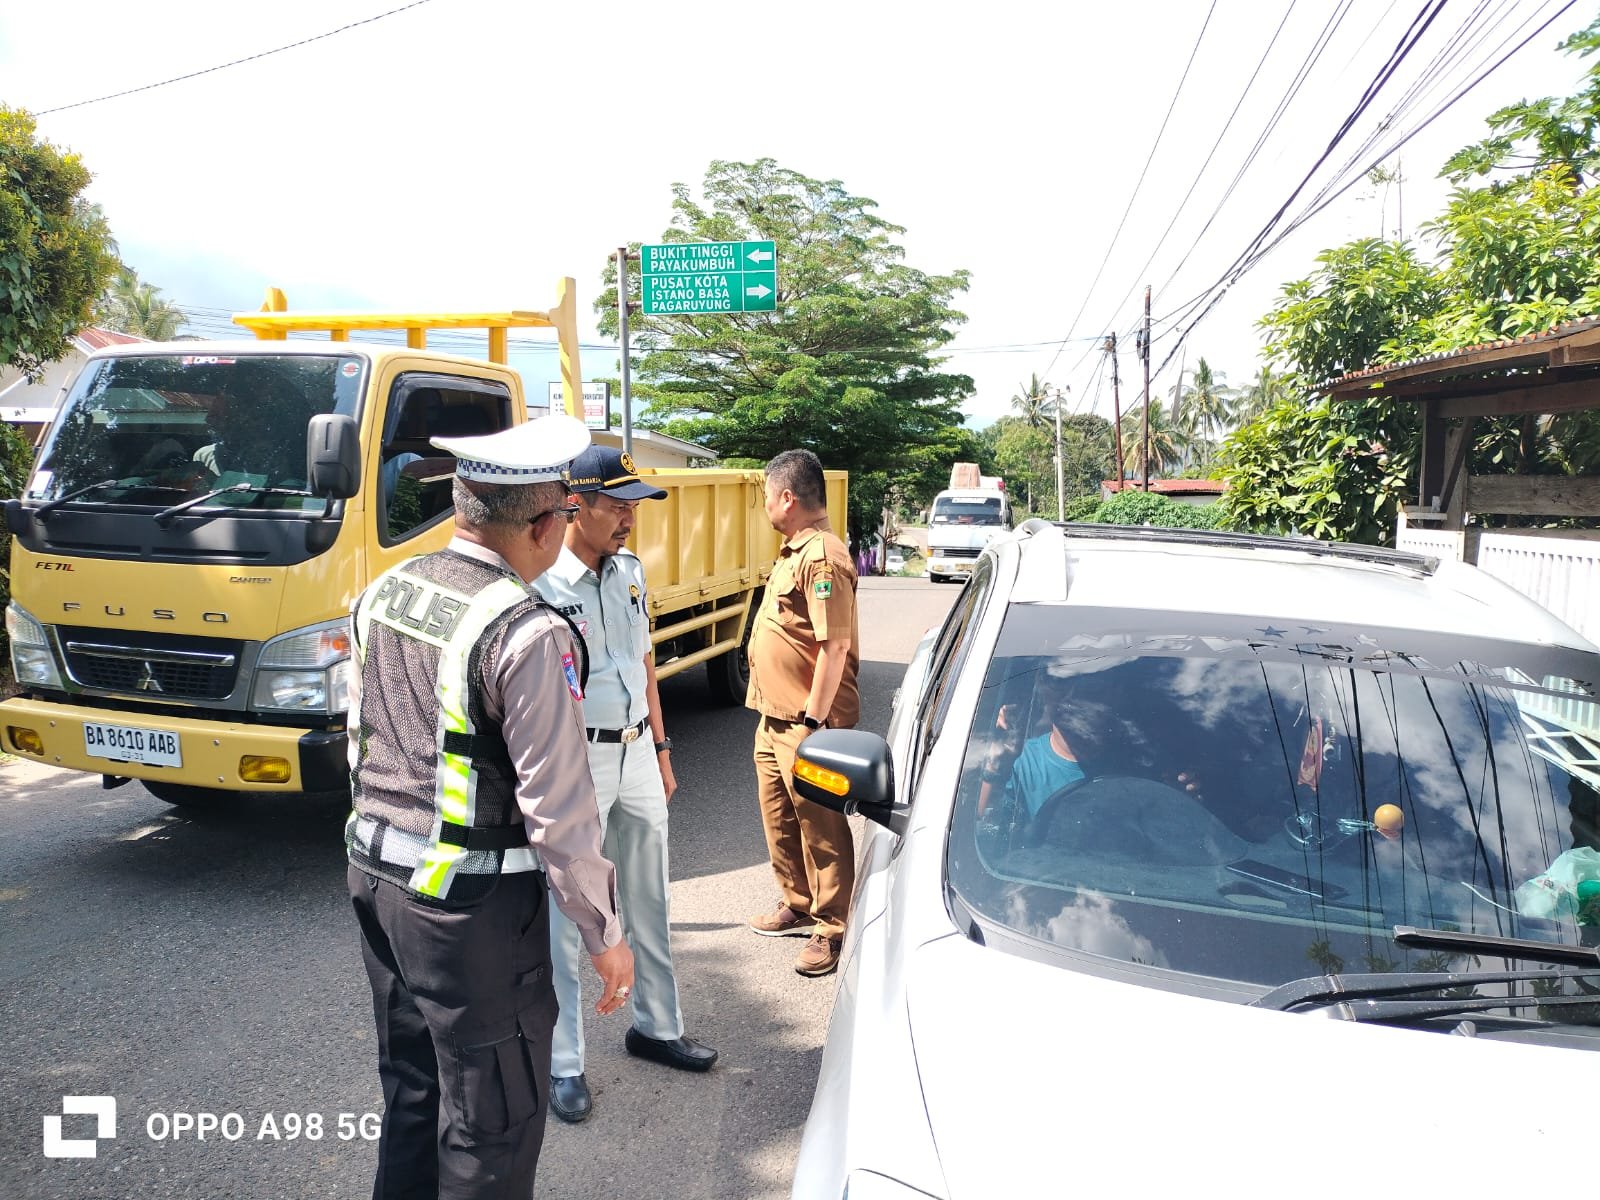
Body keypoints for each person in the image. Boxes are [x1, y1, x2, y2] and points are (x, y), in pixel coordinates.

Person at [345, 414, 636, 1200]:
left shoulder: (384, 590)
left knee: (414, 1092)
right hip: (467, 914)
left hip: (378, 879)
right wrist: (605, 933)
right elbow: (559, 812)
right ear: (544, 526)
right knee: (493, 1125)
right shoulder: (528, 631)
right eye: (568, 515)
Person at [533, 445, 718, 1124]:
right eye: (617, 504)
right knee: (568, 916)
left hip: (638, 752)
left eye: (635, 504)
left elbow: (643, 663)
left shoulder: (631, 573)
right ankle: (563, 1062)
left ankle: (657, 1027)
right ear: (573, 504)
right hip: (575, 765)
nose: (629, 517)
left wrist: (663, 749)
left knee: (648, 899)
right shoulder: (542, 585)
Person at [745, 448, 860, 977]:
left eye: (768, 496)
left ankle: (832, 926)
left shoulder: (823, 557)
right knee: (779, 816)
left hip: (807, 722)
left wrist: (813, 725)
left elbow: (833, 648)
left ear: (787, 498)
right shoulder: (794, 550)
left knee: (820, 824)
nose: (765, 505)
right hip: (775, 716)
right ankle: (797, 901)